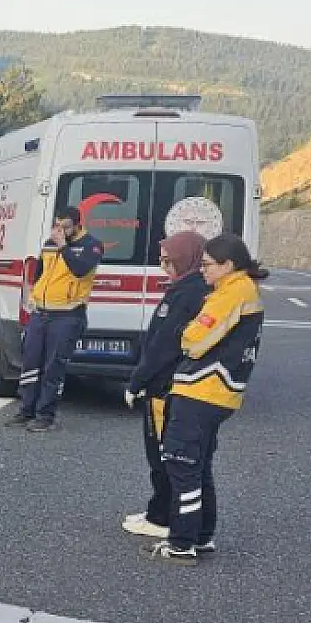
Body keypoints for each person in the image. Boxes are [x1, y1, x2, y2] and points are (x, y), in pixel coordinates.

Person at [150, 233, 267, 562]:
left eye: (207, 265)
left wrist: (185, 333)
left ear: (228, 265)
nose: (202, 271)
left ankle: (182, 542)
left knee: (181, 463)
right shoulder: (242, 290)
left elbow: (195, 339)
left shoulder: (232, 293)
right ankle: (202, 536)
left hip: (202, 389)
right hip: (220, 392)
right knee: (198, 466)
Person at [120, 231, 209, 539]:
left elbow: (163, 345)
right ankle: (161, 510)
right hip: (172, 385)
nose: (163, 268)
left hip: (165, 387)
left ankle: (162, 518)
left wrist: (137, 381)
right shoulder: (187, 288)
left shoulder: (188, 294)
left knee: (162, 455)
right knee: (166, 455)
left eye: (168, 261)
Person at [8, 204, 105, 431]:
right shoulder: (49, 244)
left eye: (66, 227)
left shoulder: (91, 245)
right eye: (57, 226)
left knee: (53, 366)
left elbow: (80, 269)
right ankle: (26, 409)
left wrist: (64, 247)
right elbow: (41, 273)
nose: (60, 231)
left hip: (67, 315)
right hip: (41, 312)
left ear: (78, 225)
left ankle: (45, 415)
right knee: (31, 362)